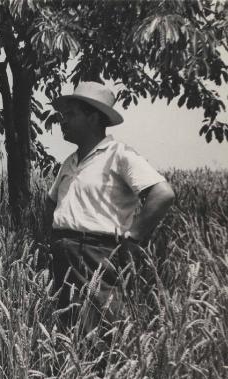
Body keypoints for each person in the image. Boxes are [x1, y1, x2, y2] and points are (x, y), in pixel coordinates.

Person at [46, 81, 175, 336]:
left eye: (70, 115)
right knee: (64, 332)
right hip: (64, 254)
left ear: (93, 118)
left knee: (98, 333)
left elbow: (163, 194)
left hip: (96, 255)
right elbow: (50, 202)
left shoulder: (119, 155)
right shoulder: (69, 162)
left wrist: (134, 236)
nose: (63, 121)